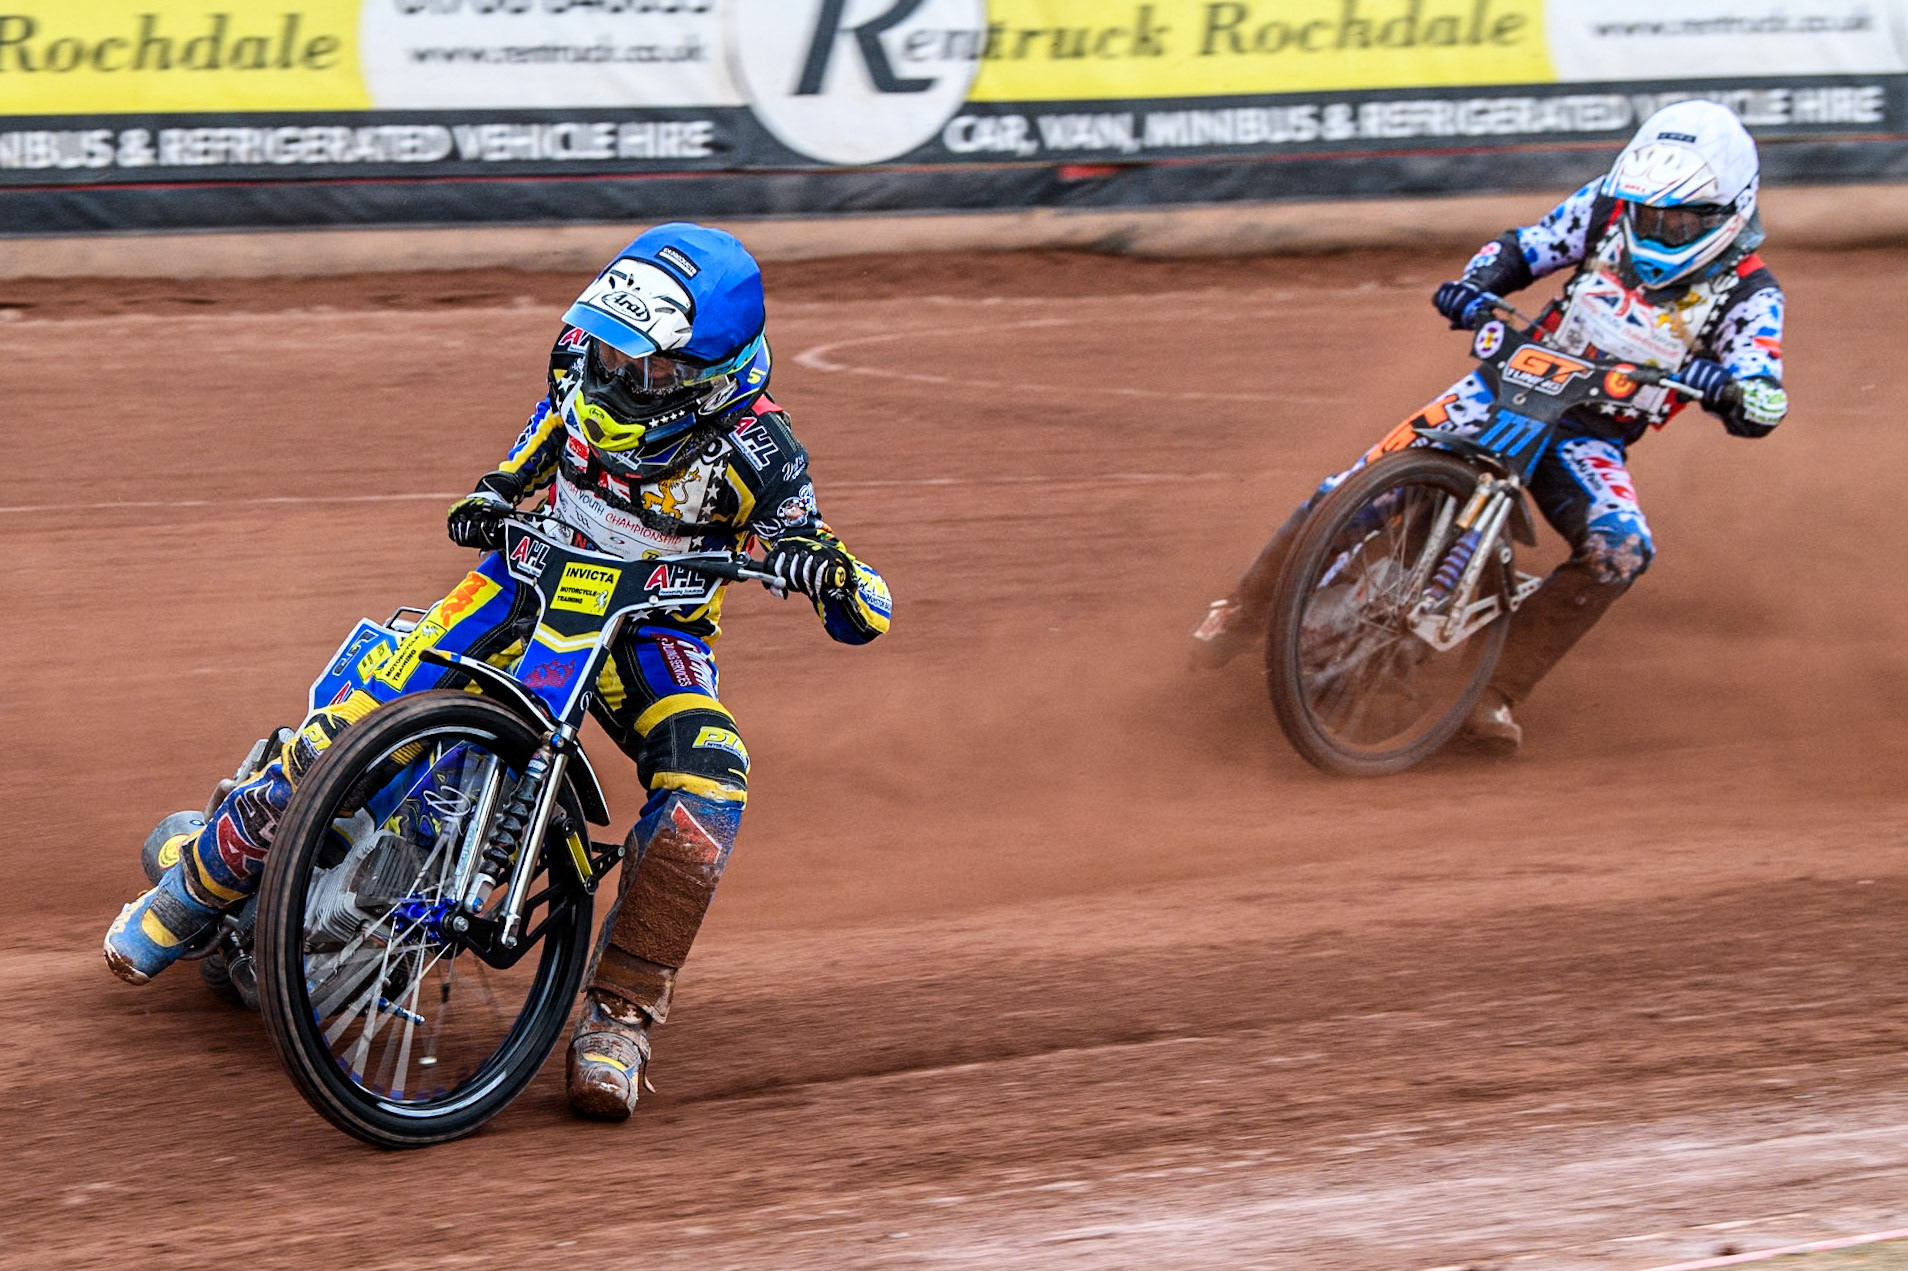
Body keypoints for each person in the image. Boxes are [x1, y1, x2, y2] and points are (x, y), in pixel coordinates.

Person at [104, 223, 892, 1119]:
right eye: (606, 346)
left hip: (648, 630)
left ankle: (621, 1014)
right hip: (520, 581)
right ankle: (188, 890)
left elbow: (837, 578)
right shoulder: (576, 364)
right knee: (346, 724)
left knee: (710, 784)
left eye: (640, 364)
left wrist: (831, 576)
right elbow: (530, 452)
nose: (610, 373)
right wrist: (493, 494)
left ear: (710, 374)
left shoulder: (761, 449)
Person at [1189, 100, 1787, 753]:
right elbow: (1526, 246)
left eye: (1679, 220)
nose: (1657, 227)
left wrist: (1738, 393)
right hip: (1505, 385)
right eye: (1647, 213)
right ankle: (1242, 611)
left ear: (1729, 213)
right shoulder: (1606, 208)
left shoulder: (1750, 296)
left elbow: (1762, 386)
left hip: (1588, 436)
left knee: (1623, 548)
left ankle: (1493, 692)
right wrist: (1474, 285)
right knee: (1358, 485)